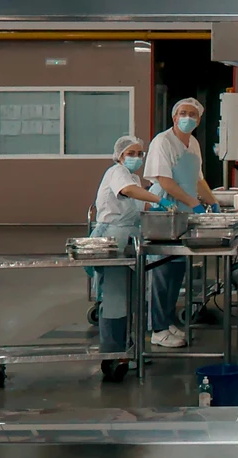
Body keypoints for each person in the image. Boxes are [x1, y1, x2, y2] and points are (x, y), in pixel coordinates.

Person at [142, 97, 218, 349]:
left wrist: (214, 203)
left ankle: (168, 320)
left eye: (192, 114)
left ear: (198, 120)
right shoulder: (162, 142)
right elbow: (165, 181)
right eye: (182, 113)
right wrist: (193, 203)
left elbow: (198, 180)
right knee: (162, 270)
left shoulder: (193, 143)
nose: (187, 118)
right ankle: (157, 328)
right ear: (174, 117)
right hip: (166, 210)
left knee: (177, 270)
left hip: (184, 211)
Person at [90, 135, 169, 372]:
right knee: (116, 297)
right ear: (120, 155)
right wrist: (157, 198)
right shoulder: (117, 173)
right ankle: (113, 352)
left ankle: (129, 348)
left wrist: (162, 194)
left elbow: (139, 204)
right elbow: (129, 191)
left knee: (132, 296)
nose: (136, 158)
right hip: (113, 239)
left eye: (139, 154)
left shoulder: (133, 177)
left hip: (129, 238)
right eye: (131, 154)